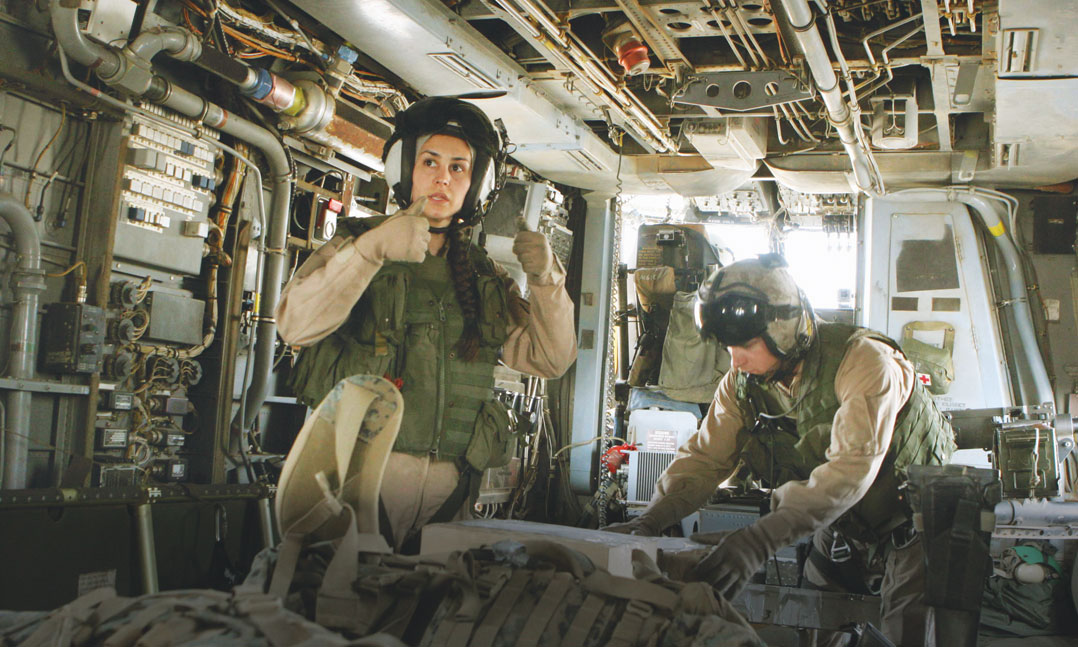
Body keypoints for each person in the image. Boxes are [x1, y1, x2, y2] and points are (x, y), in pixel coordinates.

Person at [605, 254, 955, 646]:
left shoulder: (865, 362)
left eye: (746, 346)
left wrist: (758, 540)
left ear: (784, 330)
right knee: (820, 628)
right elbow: (706, 458)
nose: (735, 360)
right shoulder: (741, 382)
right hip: (842, 525)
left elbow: (850, 468)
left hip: (917, 526)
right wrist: (651, 519)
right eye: (728, 347)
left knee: (908, 635)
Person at [276, 96, 577, 551]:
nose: (443, 177)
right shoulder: (353, 246)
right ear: (404, 170)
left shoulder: (482, 276)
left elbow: (549, 359)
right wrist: (371, 252)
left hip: (451, 490)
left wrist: (547, 280)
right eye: (430, 161)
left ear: (477, 183)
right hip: (356, 480)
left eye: (459, 167)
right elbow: (294, 326)